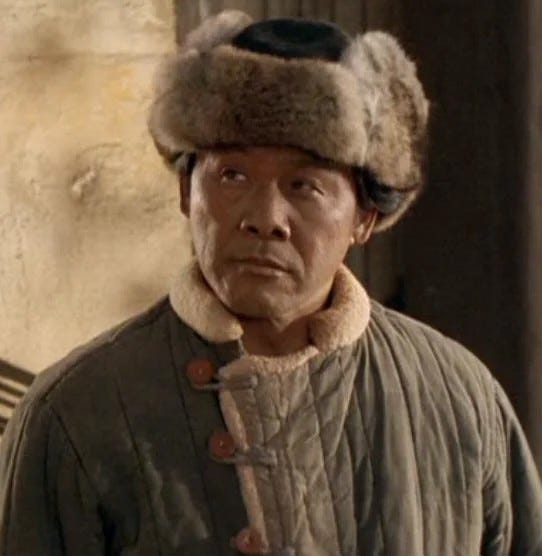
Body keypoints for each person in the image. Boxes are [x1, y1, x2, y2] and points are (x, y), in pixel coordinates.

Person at [0, 9, 541, 556]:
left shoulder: (460, 400)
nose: (265, 218)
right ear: (186, 192)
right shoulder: (76, 413)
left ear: (365, 216)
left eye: (305, 185)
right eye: (232, 176)